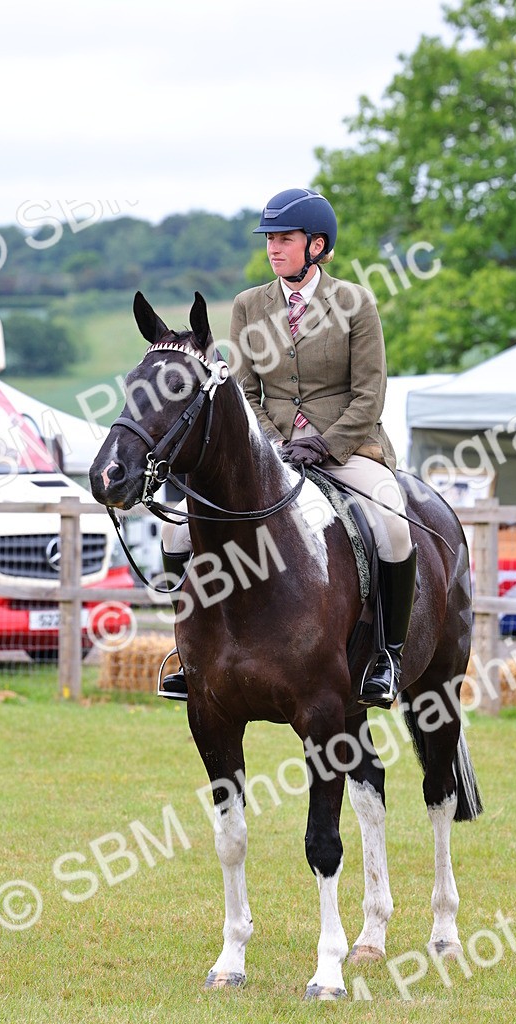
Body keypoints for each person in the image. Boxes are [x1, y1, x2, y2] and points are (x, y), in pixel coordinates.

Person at [160, 187, 415, 709]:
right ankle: (187, 648)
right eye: (270, 239)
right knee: (174, 526)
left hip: (348, 451)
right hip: (270, 455)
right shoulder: (249, 305)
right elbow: (244, 390)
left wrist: (326, 444)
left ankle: (386, 656)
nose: (274, 249)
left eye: (285, 239)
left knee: (392, 525)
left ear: (316, 245)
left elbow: (371, 394)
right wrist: (275, 443)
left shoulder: (355, 303)